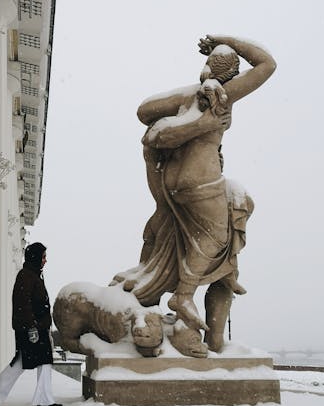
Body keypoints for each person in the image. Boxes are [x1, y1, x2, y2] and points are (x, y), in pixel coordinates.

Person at [111, 35, 276, 355]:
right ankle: (184, 294)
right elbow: (268, 64)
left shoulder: (188, 95)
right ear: (230, 74)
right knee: (216, 237)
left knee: (192, 238)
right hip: (200, 181)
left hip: (174, 186)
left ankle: (198, 291)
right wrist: (228, 41)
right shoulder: (223, 94)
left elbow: (144, 111)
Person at [0, 242, 64, 406]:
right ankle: (43, 400)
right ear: (36, 257)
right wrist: (32, 327)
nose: (45, 261)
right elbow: (22, 304)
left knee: (24, 362)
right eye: (43, 257)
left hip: (34, 328)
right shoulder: (26, 276)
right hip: (32, 329)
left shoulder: (32, 275)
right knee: (38, 361)